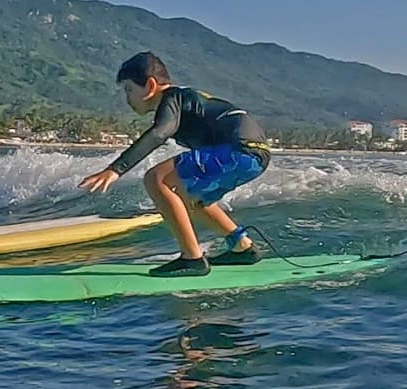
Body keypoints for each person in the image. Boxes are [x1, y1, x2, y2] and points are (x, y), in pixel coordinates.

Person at [79, 51, 271, 276]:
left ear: (150, 85)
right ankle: (242, 247)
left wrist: (116, 169)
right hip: (257, 156)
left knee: (156, 179)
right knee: (190, 198)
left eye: (129, 90)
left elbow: (160, 133)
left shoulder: (172, 98)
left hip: (237, 150)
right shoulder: (186, 99)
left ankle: (192, 258)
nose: (127, 98)